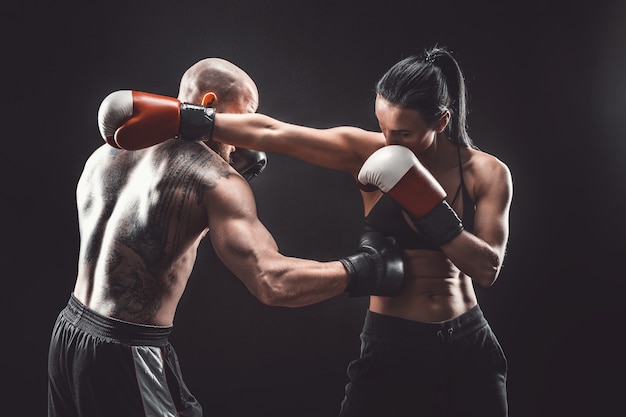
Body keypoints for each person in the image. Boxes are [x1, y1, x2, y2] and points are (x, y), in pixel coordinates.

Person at [100, 45, 513, 417]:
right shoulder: (365, 149)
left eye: (403, 133)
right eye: (383, 127)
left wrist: (428, 209)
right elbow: (275, 133)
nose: (389, 142)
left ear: (441, 120)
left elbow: (488, 267)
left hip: (467, 343)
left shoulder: (488, 173)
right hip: (393, 342)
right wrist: (185, 118)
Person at [47, 57, 406, 417]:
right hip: (129, 354)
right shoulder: (214, 181)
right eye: (247, 113)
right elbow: (272, 281)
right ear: (209, 106)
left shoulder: (108, 153)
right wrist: (363, 270)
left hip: (68, 335)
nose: (247, 130)